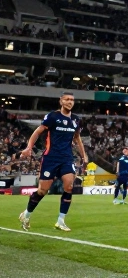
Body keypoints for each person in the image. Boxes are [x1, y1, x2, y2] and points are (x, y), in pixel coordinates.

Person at [18, 92, 87, 232]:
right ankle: (26, 214)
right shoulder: (53, 116)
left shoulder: (76, 119)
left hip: (67, 158)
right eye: (67, 99)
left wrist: (83, 155)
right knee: (43, 191)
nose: (70, 102)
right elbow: (38, 131)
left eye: (72, 100)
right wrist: (28, 147)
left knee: (69, 186)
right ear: (61, 101)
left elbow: (77, 138)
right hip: (51, 158)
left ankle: (60, 221)